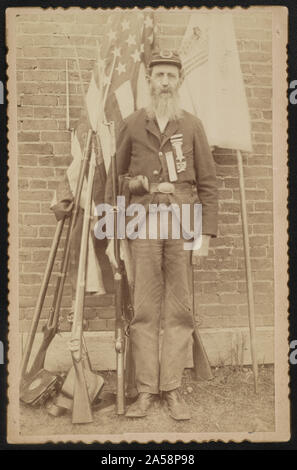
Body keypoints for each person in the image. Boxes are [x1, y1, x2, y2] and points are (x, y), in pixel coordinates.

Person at [104, 50, 218, 420]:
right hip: (143, 226)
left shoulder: (193, 126)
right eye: (159, 75)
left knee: (179, 310)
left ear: (180, 81)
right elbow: (115, 179)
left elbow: (208, 185)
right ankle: (146, 391)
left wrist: (203, 237)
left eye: (171, 75)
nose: (165, 81)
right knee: (146, 309)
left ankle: (172, 389)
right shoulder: (134, 124)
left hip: (182, 226)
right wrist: (118, 224)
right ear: (150, 81)